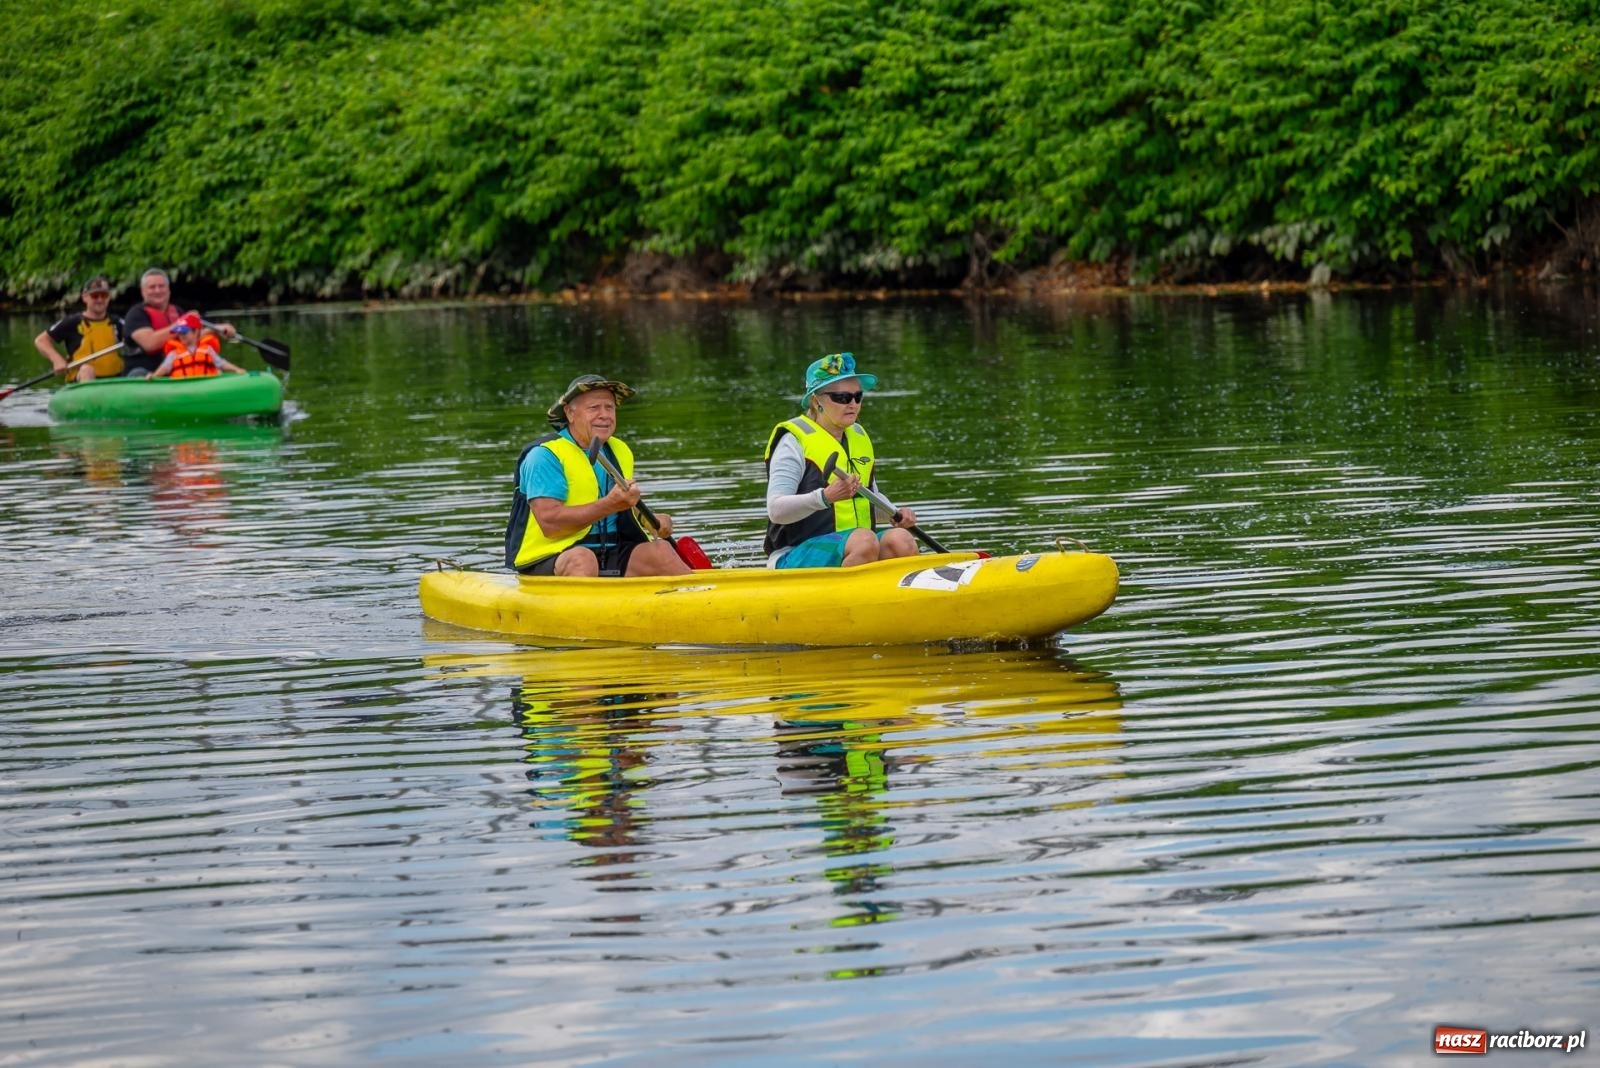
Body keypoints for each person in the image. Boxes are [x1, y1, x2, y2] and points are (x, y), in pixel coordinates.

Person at [503, 374, 691, 577]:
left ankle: (700, 601)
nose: (604, 415)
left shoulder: (620, 450)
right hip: (553, 557)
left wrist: (651, 520)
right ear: (570, 413)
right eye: (594, 408)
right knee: (582, 560)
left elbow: (623, 504)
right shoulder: (544, 456)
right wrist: (611, 504)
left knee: (662, 551)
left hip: (610, 550)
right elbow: (550, 524)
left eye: (609, 407)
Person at [763, 351, 919, 568]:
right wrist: (825, 497)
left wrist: (895, 513)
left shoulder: (858, 437)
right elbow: (776, 510)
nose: (853, 404)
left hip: (857, 545)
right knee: (864, 540)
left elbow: (868, 501)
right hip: (794, 555)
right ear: (817, 400)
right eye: (842, 397)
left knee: (900, 539)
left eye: (858, 396)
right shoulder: (793, 442)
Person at [122, 268, 236, 378]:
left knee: (205, 363)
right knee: (139, 373)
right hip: (144, 371)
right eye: (152, 287)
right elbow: (150, 344)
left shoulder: (178, 311)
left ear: (168, 290)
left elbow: (191, 338)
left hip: (174, 370)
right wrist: (180, 323)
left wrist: (216, 329)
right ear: (143, 291)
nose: (157, 290)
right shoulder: (136, 314)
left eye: (161, 286)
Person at [33, 275, 126, 382]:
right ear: (85, 297)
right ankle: (89, 395)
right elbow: (41, 341)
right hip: (81, 380)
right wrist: (56, 359)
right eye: (95, 296)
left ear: (109, 297)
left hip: (115, 380)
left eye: (104, 295)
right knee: (87, 370)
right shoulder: (72, 322)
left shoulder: (118, 322)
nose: (100, 300)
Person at [151, 314, 247, 378]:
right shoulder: (174, 353)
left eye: (184, 332)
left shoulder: (207, 349)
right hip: (183, 386)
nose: (181, 336)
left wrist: (237, 369)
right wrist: (154, 376)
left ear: (196, 332)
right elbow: (164, 368)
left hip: (207, 383)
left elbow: (222, 364)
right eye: (179, 333)